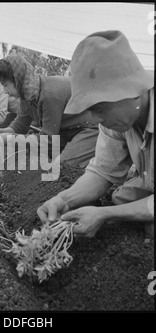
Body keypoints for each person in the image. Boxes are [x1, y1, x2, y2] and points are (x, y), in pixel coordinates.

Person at [37, 30, 154, 239]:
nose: (96, 119)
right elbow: (103, 171)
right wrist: (64, 200)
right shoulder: (115, 120)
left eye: (100, 108)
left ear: (132, 90)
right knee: (123, 200)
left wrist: (105, 214)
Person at [0, 54, 99, 168]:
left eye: (5, 85)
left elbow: (48, 141)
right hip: (67, 129)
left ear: (18, 80)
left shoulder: (49, 95)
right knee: (35, 151)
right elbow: (20, 126)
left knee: (62, 165)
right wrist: (3, 132)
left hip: (89, 128)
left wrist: (10, 139)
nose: (5, 91)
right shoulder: (27, 95)